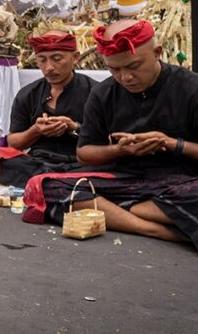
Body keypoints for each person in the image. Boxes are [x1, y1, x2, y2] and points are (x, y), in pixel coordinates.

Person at [32, 20, 198, 248]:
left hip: (183, 179)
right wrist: (119, 150)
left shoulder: (190, 87)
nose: (125, 77)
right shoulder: (103, 93)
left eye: (133, 66)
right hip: (125, 178)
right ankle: (156, 229)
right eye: (115, 69)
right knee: (44, 186)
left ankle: (121, 210)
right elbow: (84, 154)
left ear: (157, 53)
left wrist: (171, 143)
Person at [0, 30, 96, 186]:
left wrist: (73, 127)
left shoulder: (95, 92)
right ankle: (55, 185)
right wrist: (35, 130)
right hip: (38, 163)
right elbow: (14, 142)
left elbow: (106, 141)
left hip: (80, 163)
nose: (49, 67)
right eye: (42, 60)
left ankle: (45, 184)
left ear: (75, 57)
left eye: (57, 59)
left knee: (111, 169)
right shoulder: (28, 94)